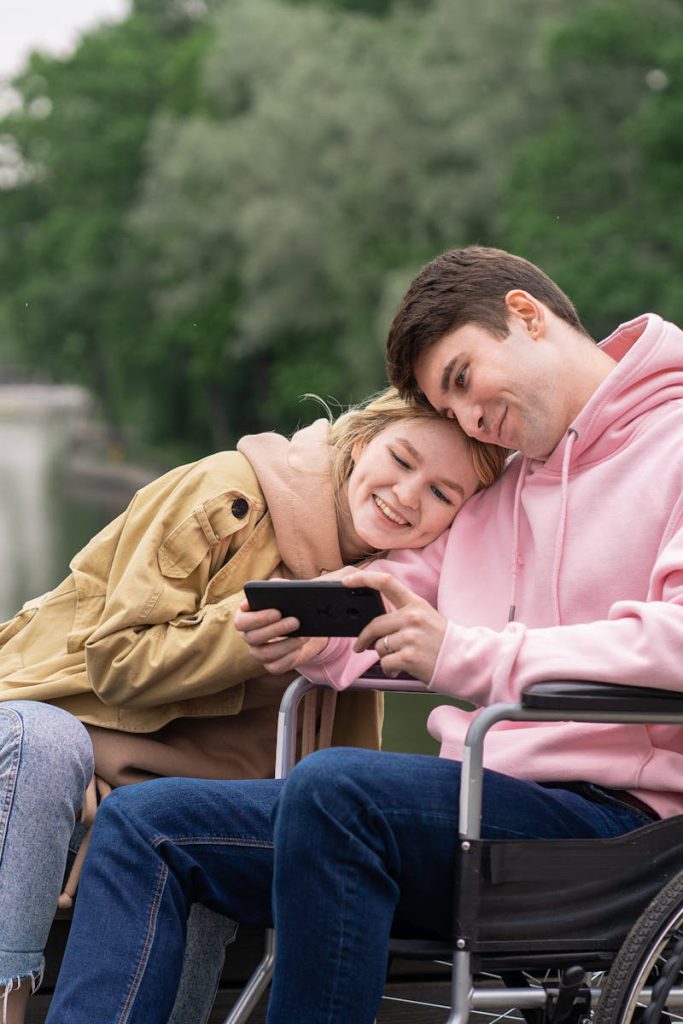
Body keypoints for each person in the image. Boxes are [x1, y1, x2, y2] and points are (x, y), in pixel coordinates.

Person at [44, 246, 683, 1024]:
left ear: (525, 316)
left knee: (339, 788)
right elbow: (390, 595)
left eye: (460, 378)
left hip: (619, 834)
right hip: (477, 813)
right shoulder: (497, 486)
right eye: (448, 411)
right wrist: (302, 627)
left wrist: (466, 655)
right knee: (148, 824)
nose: (471, 418)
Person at [0, 385, 504, 1024]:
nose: (408, 495)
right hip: (42, 734)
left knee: (194, 832)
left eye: (441, 494)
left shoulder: (390, 592)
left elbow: (331, 769)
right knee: (49, 746)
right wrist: (243, 632)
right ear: (358, 440)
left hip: (159, 793)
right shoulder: (228, 493)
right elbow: (116, 661)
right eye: (402, 460)